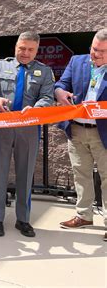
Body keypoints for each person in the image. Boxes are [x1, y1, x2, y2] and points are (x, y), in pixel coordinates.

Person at [0, 31, 54, 238]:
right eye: (22, 48)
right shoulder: (0, 65)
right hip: (2, 126)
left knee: (25, 173)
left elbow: (48, 97)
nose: (25, 53)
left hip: (28, 128)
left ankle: (23, 219)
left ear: (37, 50)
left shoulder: (44, 71)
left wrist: (37, 107)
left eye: (30, 50)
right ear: (16, 46)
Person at [55, 28, 107, 242]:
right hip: (76, 130)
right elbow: (61, 85)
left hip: (103, 133)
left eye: (103, 52)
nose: (97, 54)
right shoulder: (77, 61)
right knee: (81, 175)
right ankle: (84, 215)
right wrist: (60, 92)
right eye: (95, 49)